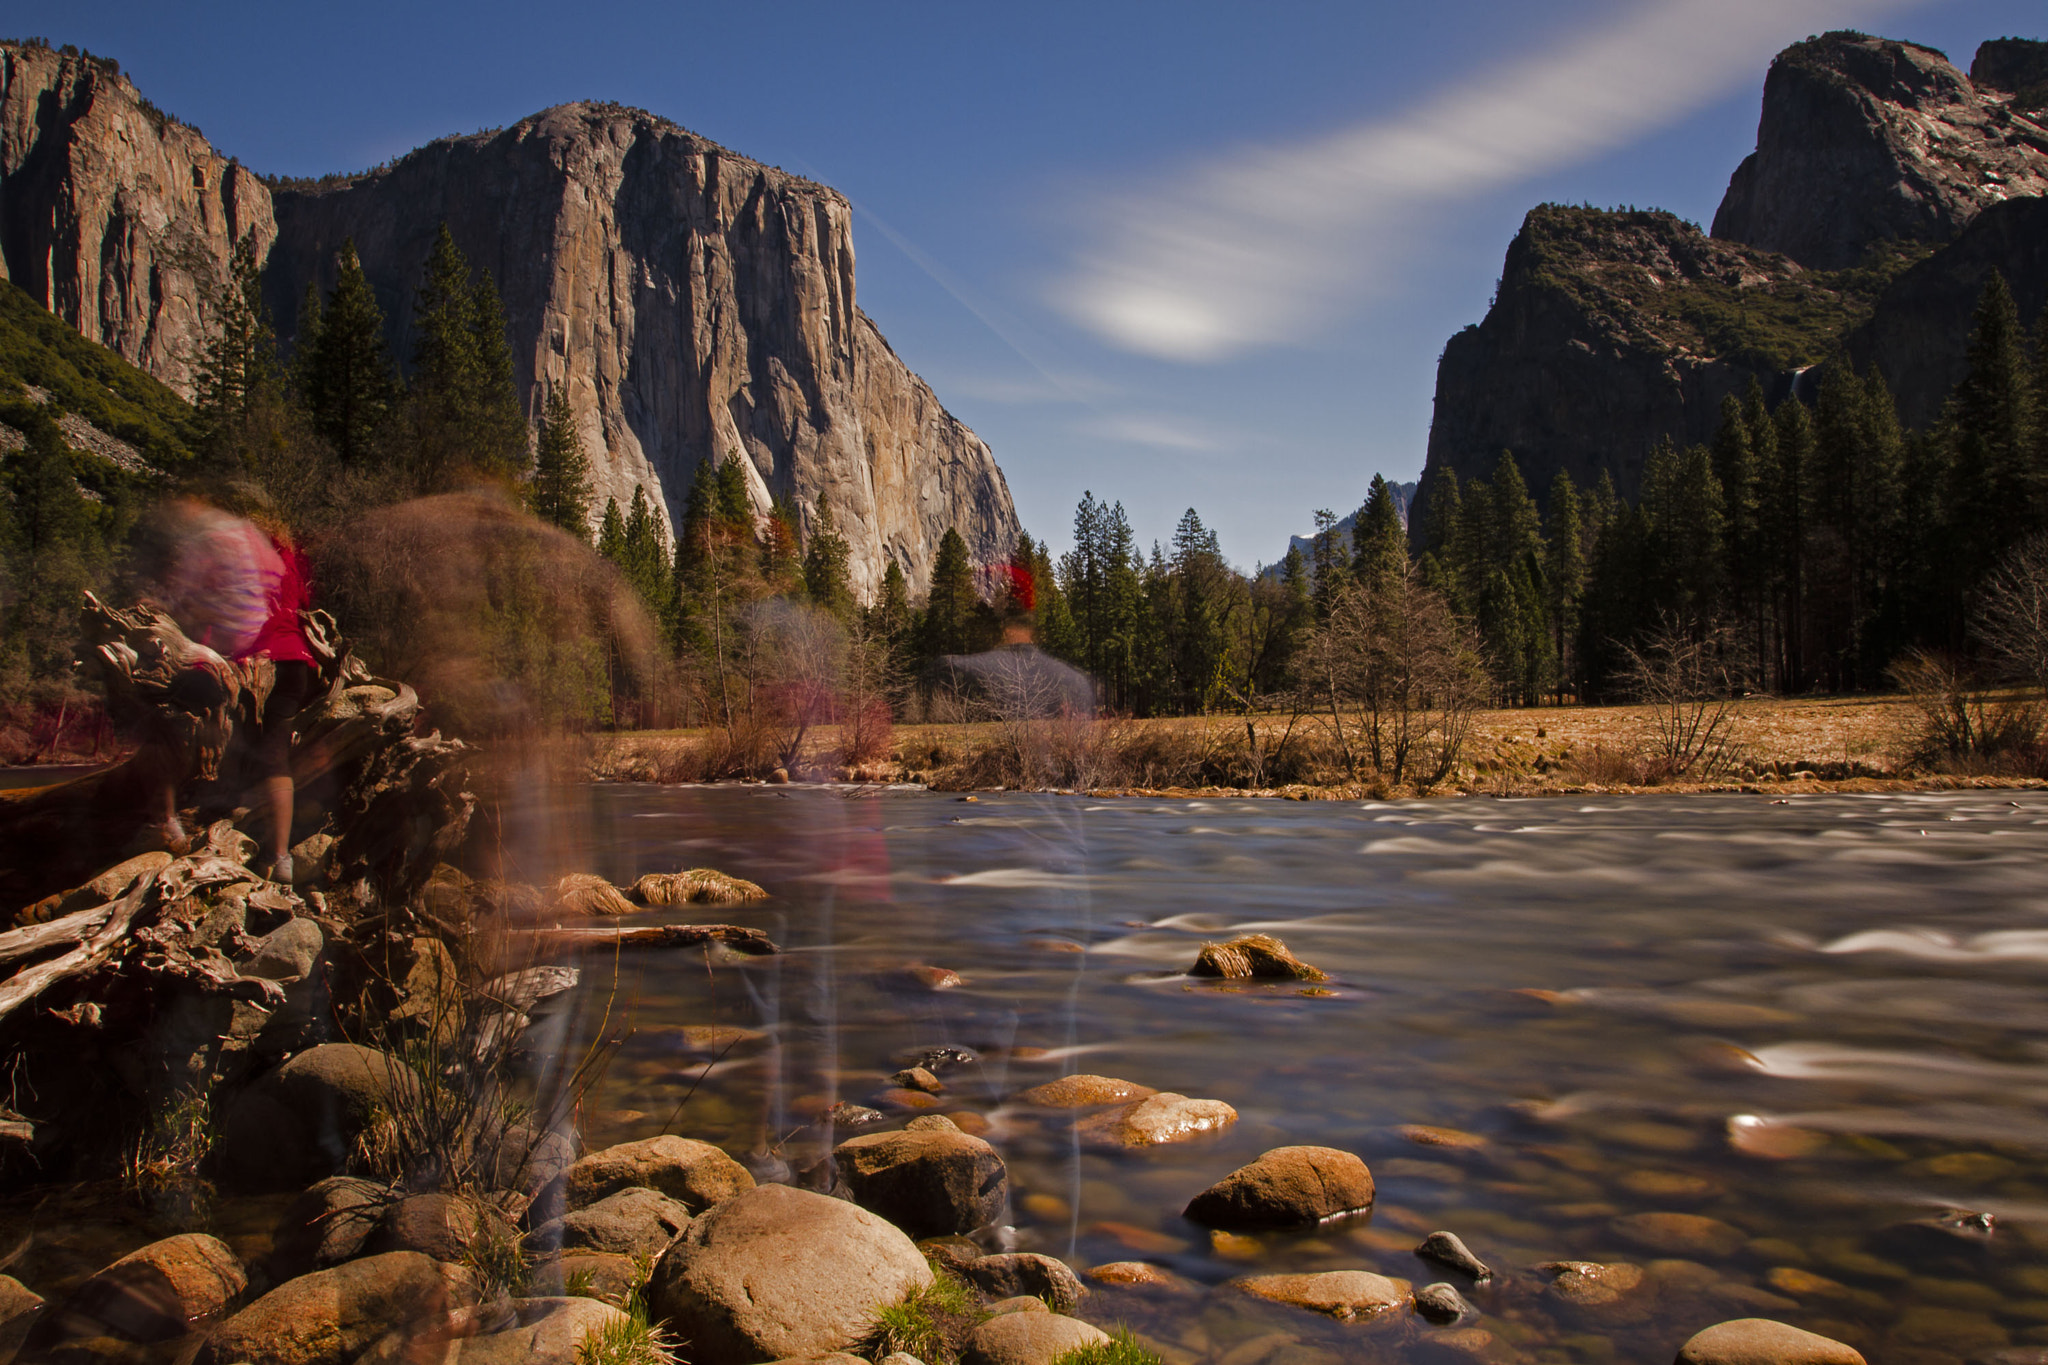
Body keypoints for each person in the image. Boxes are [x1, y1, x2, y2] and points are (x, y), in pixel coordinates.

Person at [155, 497, 319, 882]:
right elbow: (301, 604)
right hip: (293, 660)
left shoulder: (221, 543)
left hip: (242, 657)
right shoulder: (288, 552)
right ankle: (281, 859)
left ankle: (167, 821)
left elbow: (198, 603)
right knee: (275, 756)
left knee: (169, 721)